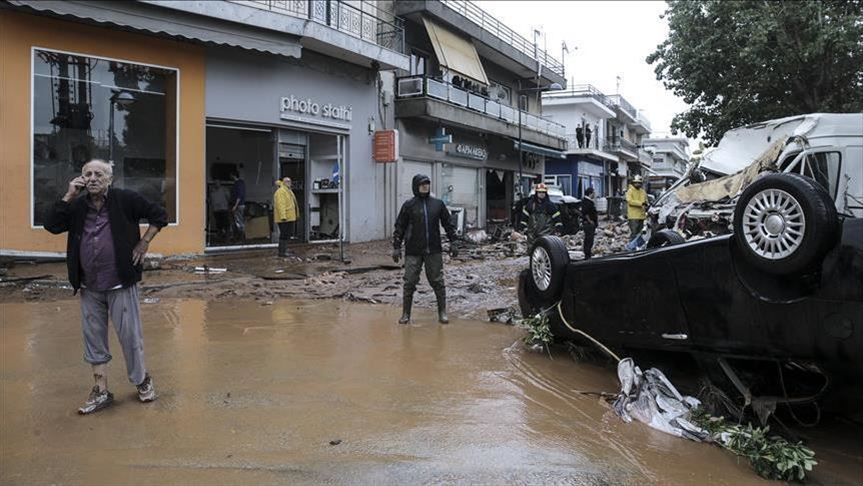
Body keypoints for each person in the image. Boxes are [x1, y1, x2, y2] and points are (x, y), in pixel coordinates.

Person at [43, 159, 167, 415]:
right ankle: (101, 390)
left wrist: (144, 242)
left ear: (110, 179)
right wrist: (68, 194)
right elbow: (52, 225)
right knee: (93, 339)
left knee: (130, 336)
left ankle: (142, 380)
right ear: (81, 179)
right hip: (89, 285)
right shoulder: (77, 206)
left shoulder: (125, 199)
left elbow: (159, 215)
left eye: (99, 174)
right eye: (87, 174)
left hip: (120, 281)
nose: (93, 178)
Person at [392, 174, 458, 325]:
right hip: (413, 251)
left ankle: (442, 312)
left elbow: (448, 224)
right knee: (409, 282)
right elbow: (399, 226)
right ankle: (406, 314)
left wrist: (454, 242)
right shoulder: (408, 205)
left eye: (427, 184)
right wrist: (396, 246)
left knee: (437, 281)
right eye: (422, 185)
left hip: (433, 250)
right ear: (416, 186)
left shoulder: (437, 204)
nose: (425, 187)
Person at [273, 177, 299, 257]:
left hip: (289, 217)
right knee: (284, 234)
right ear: (284, 182)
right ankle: (282, 252)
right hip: (285, 218)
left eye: (290, 181)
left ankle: (284, 251)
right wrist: (283, 216)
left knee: (286, 235)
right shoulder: (281, 191)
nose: (289, 183)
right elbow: (281, 205)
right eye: (287, 181)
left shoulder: (288, 191)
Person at [626, 174, 648, 239]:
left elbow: (646, 201)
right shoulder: (630, 191)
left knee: (640, 233)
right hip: (633, 216)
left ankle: (638, 247)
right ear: (633, 183)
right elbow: (630, 201)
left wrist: (647, 205)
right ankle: (631, 247)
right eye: (636, 183)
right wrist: (641, 203)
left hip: (642, 216)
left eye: (639, 183)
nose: (638, 184)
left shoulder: (643, 191)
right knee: (634, 233)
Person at [581, 187, 598, 259]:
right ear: (590, 193)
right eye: (593, 193)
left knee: (589, 239)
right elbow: (585, 212)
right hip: (588, 224)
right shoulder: (587, 202)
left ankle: (588, 253)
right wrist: (590, 221)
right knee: (589, 239)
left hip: (590, 223)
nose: (594, 194)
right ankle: (587, 254)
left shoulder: (588, 201)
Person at [230, 170, 246, 242]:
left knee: (239, 222)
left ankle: (241, 238)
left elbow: (239, 196)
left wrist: (235, 206)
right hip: (240, 205)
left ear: (233, 175)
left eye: (231, 175)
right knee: (239, 221)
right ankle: (239, 238)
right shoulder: (241, 183)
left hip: (239, 205)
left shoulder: (238, 184)